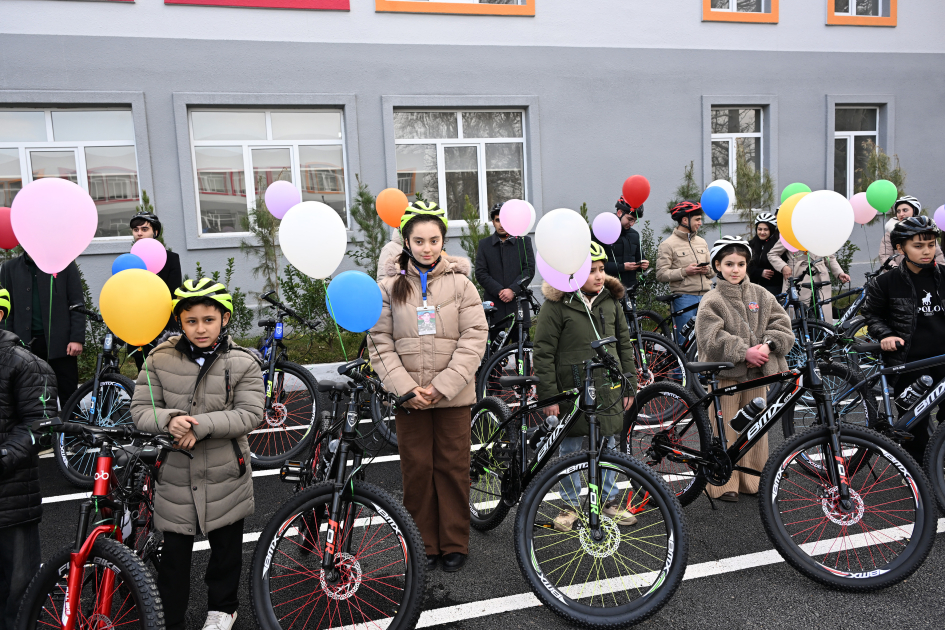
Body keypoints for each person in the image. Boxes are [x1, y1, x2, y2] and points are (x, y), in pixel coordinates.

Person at [130, 278, 264, 630]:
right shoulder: (158, 359)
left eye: (208, 319)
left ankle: (223, 609)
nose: (200, 328)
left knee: (225, 552)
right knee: (174, 558)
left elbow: (250, 413)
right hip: (175, 473)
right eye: (191, 321)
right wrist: (170, 420)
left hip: (226, 473)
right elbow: (142, 410)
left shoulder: (242, 362)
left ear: (224, 319)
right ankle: (169, 617)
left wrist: (199, 425)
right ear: (179, 322)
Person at [369, 201, 487, 573]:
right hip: (410, 401)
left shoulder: (461, 285)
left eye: (434, 240)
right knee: (417, 471)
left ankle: (454, 541)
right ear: (405, 241)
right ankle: (421, 543)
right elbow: (380, 342)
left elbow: (474, 337)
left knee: (453, 468)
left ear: (443, 241)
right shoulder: (389, 288)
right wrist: (405, 388)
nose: (427, 248)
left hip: (452, 398)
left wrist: (444, 385)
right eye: (418, 240)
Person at [533, 242, 639, 532]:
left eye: (602, 269)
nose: (599, 276)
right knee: (569, 449)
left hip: (608, 388)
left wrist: (630, 383)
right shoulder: (556, 305)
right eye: (591, 270)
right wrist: (549, 395)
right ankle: (569, 505)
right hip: (572, 389)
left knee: (608, 443)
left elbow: (624, 345)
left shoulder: (610, 301)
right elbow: (543, 352)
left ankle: (608, 500)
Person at [695, 236, 794, 502]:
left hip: (756, 376)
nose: (735, 269)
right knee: (726, 428)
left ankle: (754, 478)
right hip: (725, 376)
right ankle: (722, 482)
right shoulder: (711, 299)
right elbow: (710, 337)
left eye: (740, 263)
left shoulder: (762, 294)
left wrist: (768, 345)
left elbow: (782, 325)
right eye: (729, 264)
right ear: (717, 266)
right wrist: (743, 352)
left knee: (755, 429)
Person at [862, 216, 945, 464]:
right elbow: (871, 314)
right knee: (914, 425)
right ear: (900, 248)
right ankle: (919, 477)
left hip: (943, 357)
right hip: (908, 361)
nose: (926, 251)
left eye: (930, 244)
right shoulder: (885, 282)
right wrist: (886, 335)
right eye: (918, 246)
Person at [0, 287, 57, 630]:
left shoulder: (24, 363)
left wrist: (4, 455)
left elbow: (43, 425)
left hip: (12, 498)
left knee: (19, 595)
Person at [0, 254, 84, 405]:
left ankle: (70, 427)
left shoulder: (65, 264)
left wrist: (76, 338)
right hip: (23, 346)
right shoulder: (9, 268)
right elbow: (6, 310)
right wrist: (7, 341)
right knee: (29, 396)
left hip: (61, 345)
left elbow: (77, 303)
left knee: (69, 395)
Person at [129, 211, 183, 371]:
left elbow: (173, 293)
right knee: (143, 370)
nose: (139, 233)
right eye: (135, 229)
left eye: (144, 229)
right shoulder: (129, 260)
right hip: (138, 323)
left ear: (155, 232)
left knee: (167, 369)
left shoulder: (171, 258)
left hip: (163, 322)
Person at [475, 203, 536, 342]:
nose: (501, 224)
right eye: (497, 220)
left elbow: (529, 270)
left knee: (522, 348)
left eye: (504, 220)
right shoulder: (484, 244)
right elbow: (481, 272)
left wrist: (513, 290)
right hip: (494, 305)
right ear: (493, 222)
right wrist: (499, 291)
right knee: (494, 353)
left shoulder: (523, 241)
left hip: (518, 303)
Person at [655, 201, 714, 342]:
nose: (700, 223)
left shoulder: (702, 242)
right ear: (685, 220)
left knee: (707, 339)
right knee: (685, 341)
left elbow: (713, 271)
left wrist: (707, 270)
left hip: (706, 296)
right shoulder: (667, 245)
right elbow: (661, 274)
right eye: (697, 219)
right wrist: (685, 271)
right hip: (684, 299)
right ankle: (681, 364)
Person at [767, 232, 851, 324]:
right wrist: (783, 267)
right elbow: (772, 254)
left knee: (823, 311)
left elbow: (830, 257)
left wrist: (839, 273)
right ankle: (797, 335)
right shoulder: (791, 232)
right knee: (797, 313)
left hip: (821, 276)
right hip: (798, 275)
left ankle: (825, 334)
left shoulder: (823, 233)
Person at [878, 196, 945, 267]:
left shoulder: (926, 231)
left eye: (905, 210)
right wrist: (897, 271)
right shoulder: (890, 233)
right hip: (901, 274)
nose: (901, 214)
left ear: (914, 211)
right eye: (898, 211)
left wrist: (941, 272)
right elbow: (885, 256)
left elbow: (938, 255)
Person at [605, 197, 649, 288]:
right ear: (619, 213)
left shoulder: (634, 235)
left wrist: (643, 265)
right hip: (608, 288)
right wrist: (622, 267)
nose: (632, 224)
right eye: (630, 219)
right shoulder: (602, 231)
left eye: (635, 221)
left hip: (630, 289)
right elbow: (593, 264)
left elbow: (639, 257)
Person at [747, 212, 782, 295]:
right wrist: (759, 272)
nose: (762, 232)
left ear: (772, 230)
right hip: (752, 285)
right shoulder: (750, 244)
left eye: (766, 229)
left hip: (773, 287)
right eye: (760, 229)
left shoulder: (777, 245)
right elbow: (745, 265)